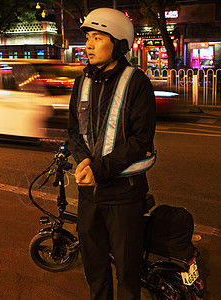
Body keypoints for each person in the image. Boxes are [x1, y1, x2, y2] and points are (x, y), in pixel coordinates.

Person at [67, 7, 156, 300]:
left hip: (124, 196)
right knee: (95, 268)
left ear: (117, 43)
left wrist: (100, 170)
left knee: (127, 272)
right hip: (89, 196)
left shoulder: (136, 82)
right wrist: (82, 161)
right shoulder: (82, 82)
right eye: (88, 38)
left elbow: (140, 140)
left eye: (97, 37)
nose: (88, 45)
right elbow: (73, 131)